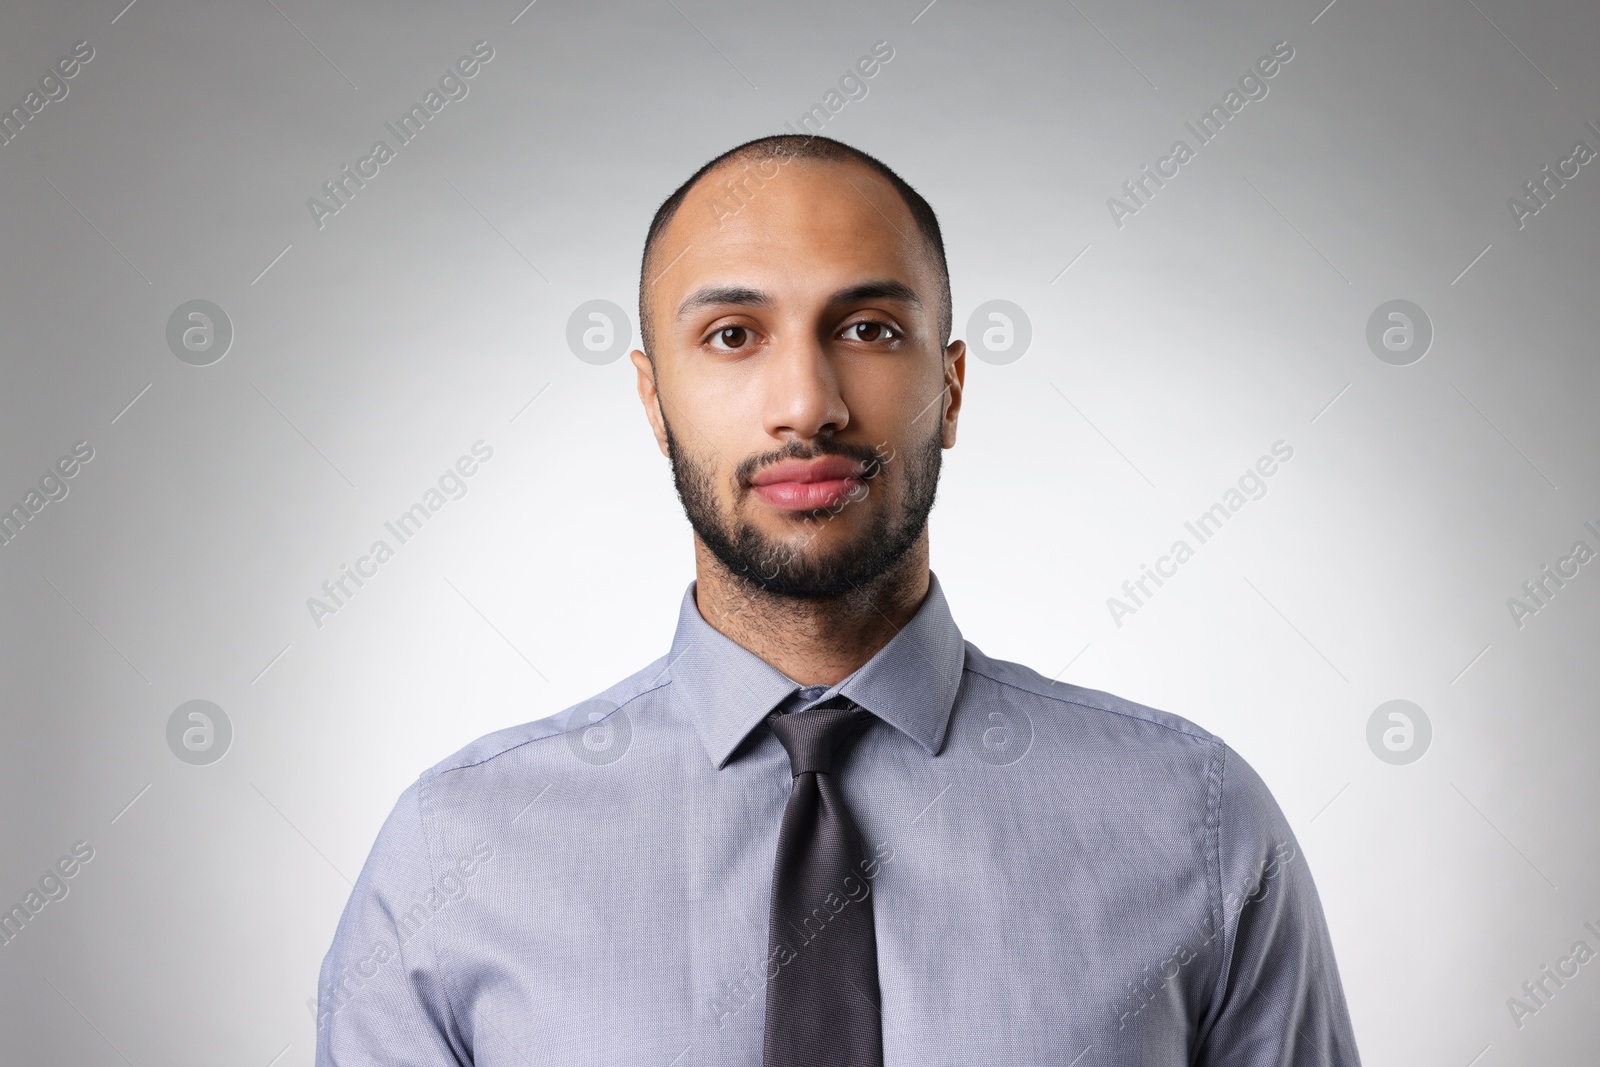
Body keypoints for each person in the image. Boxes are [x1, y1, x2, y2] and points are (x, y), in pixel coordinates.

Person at [315, 133, 1362, 1066]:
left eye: (866, 329)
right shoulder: (456, 852)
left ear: (949, 388)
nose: (807, 403)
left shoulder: (1197, 822)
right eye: (732, 334)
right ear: (653, 399)